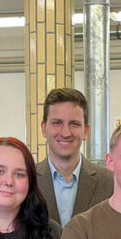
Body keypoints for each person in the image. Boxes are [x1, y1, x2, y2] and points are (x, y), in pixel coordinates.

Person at [35, 87, 114, 227]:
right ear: (43, 129)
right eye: (57, 123)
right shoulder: (27, 181)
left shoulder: (109, 182)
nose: (65, 133)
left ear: (86, 131)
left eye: (74, 124)